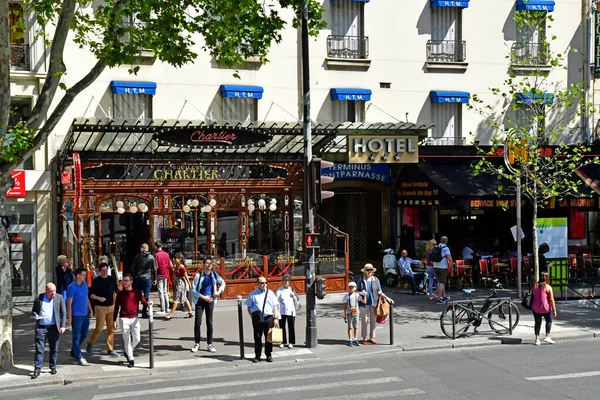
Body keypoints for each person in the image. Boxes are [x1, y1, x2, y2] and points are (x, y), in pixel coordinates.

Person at [113, 274, 152, 368]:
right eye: (124, 281)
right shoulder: (120, 293)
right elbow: (116, 307)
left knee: (137, 339)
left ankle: (127, 352)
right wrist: (114, 320)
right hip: (124, 318)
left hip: (134, 318)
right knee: (127, 339)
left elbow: (144, 302)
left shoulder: (136, 292)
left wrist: (148, 304)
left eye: (126, 281)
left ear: (131, 281)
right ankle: (131, 359)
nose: (124, 282)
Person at [190, 256, 226, 353]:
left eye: (210, 263)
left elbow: (223, 283)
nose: (209, 265)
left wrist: (218, 292)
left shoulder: (214, 275)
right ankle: (197, 343)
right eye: (207, 263)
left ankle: (210, 344)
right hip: (200, 302)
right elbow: (192, 289)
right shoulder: (199, 276)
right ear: (203, 265)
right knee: (198, 323)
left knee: (209, 323)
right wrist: (203, 297)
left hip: (210, 301)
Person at [31, 283, 66, 379]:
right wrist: (35, 315)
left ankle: (53, 367)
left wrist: (63, 326)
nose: (53, 293)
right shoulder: (39, 298)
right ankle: (37, 369)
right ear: (46, 290)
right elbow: (34, 310)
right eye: (51, 291)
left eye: (54, 290)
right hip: (41, 327)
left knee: (54, 348)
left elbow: (63, 312)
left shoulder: (59, 297)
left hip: (54, 327)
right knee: (39, 349)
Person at [86, 262, 120, 357]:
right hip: (100, 308)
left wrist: (118, 298)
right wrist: (99, 298)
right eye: (102, 271)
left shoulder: (112, 279)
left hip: (111, 306)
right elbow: (91, 295)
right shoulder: (97, 281)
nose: (104, 272)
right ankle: (90, 343)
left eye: (106, 270)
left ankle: (110, 349)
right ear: (99, 271)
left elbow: (116, 291)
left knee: (111, 328)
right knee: (99, 328)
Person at [245, 277, 279, 363]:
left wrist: (275, 318)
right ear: (258, 284)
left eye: (265, 282)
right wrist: (252, 317)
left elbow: (275, 307)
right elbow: (248, 307)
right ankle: (257, 355)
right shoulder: (253, 294)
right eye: (262, 283)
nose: (264, 284)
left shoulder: (270, 293)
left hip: (268, 317)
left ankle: (268, 355)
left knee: (269, 337)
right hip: (257, 318)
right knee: (257, 337)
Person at [66, 268, 93, 366]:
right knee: (76, 337)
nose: (85, 277)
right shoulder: (71, 287)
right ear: (78, 276)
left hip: (85, 314)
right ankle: (79, 356)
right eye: (83, 275)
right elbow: (69, 304)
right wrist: (69, 318)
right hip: (76, 316)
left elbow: (86, 298)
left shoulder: (84, 285)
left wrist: (90, 309)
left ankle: (74, 350)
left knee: (85, 334)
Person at [356, 263, 382, 345]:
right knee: (364, 320)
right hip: (364, 303)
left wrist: (385, 297)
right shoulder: (361, 280)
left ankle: (372, 337)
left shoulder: (376, 280)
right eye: (367, 270)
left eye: (371, 270)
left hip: (374, 302)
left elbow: (379, 291)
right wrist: (361, 293)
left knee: (373, 320)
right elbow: (356, 291)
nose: (369, 271)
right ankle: (364, 338)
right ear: (365, 271)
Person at [165, 252, 194, 320]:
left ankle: (171, 314)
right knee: (184, 298)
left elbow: (185, 275)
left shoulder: (181, 266)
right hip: (177, 282)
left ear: (180, 259)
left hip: (180, 283)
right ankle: (190, 312)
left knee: (176, 299)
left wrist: (189, 283)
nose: (175, 259)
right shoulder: (176, 266)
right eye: (175, 258)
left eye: (176, 258)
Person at [131, 243, 156, 318]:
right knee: (146, 295)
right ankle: (144, 312)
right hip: (147, 277)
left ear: (141, 248)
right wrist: (155, 278)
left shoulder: (138, 256)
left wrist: (135, 274)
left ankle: (135, 312)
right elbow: (154, 269)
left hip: (139, 277)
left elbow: (132, 267)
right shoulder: (151, 257)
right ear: (147, 249)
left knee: (136, 295)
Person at [531, 277, 557, 345]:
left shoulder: (535, 286)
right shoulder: (548, 287)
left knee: (537, 323)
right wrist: (554, 310)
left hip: (536, 308)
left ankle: (537, 339)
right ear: (547, 280)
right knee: (549, 321)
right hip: (546, 309)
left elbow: (532, 294)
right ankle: (547, 336)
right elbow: (551, 300)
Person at [276, 274, 298, 349]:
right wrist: (276, 312)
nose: (286, 282)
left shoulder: (292, 289)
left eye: (288, 281)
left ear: (290, 282)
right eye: (285, 281)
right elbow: (276, 301)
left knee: (291, 327)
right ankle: (282, 342)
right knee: (282, 327)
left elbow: (297, 299)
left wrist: (293, 296)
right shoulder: (279, 290)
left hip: (291, 311)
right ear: (282, 282)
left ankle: (291, 342)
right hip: (282, 311)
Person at [154, 240, 172, 314]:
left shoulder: (156, 255)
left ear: (156, 246)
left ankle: (163, 309)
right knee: (165, 291)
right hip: (165, 274)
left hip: (159, 274)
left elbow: (156, 267)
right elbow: (169, 265)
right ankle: (167, 308)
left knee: (161, 291)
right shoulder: (167, 254)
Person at [343, 281, 363, 347]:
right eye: (350, 287)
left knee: (356, 326)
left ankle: (355, 339)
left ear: (355, 288)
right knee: (350, 327)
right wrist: (345, 313)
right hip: (349, 313)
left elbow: (363, 301)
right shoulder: (346, 296)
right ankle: (350, 339)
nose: (351, 289)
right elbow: (345, 305)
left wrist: (364, 295)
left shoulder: (357, 295)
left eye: (353, 287)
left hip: (356, 312)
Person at [433, 236, 452, 305]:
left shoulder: (436, 247)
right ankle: (438, 299)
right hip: (442, 267)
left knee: (441, 282)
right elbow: (449, 258)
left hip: (435, 267)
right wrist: (451, 266)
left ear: (440, 240)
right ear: (446, 241)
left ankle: (444, 296)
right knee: (442, 283)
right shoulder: (446, 248)